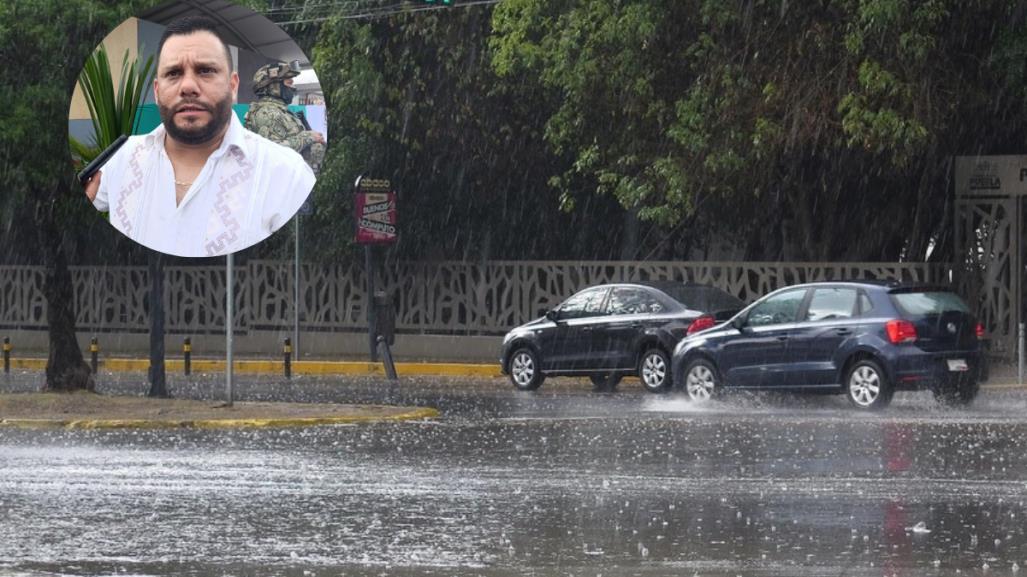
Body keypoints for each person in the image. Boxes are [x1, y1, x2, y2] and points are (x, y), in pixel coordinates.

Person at [83, 16, 315, 258]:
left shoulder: (287, 175)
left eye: (205, 71)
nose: (188, 86)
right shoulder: (118, 161)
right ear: (157, 90)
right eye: (173, 73)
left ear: (233, 86)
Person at [244, 61, 326, 172]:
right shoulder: (266, 113)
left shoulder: (280, 111)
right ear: (274, 86)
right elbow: (272, 153)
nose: (293, 88)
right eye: (289, 83)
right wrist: (308, 137)